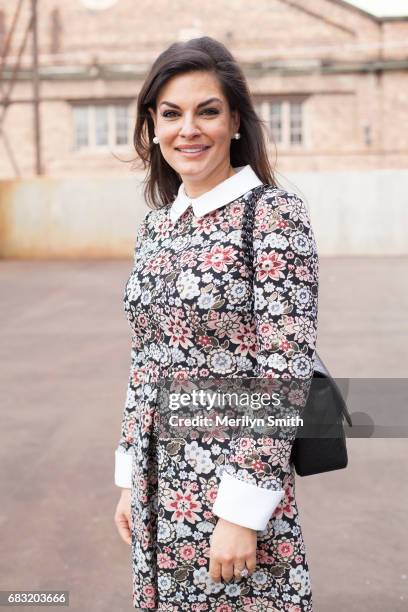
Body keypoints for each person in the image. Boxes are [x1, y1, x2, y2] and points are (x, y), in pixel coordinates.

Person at [113, 35, 318, 612]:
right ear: (152, 126)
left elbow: (283, 368)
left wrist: (241, 512)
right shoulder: (156, 227)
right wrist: (130, 475)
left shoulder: (273, 215)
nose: (189, 129)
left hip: (231, 484)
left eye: (208, 111)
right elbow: (145, 359)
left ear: (234, 123)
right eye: (172, 114)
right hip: (160, 488)